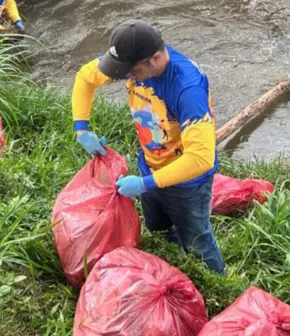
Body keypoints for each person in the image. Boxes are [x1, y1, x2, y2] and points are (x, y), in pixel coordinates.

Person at [71, 20, 225, 274]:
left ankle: (218, 287)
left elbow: (201, 158)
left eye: (131, 72)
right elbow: (85, 78)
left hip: (187, 184)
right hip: (150, 166)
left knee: (199, 242)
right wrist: (82, 128)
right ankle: (174, 263)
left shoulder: (187, 89)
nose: (125, 77)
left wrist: (144, 185)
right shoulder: (132, 59)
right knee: (159, 228)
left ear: (154, 58)